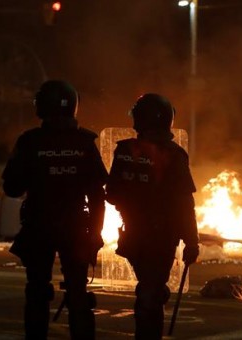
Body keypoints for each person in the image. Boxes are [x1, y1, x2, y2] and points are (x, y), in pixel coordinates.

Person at [3, 80, 107, 339]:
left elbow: (12, 188)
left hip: (39, 226)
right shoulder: (85, 142)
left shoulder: (30, 142)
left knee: (37, 291)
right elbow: (97, 197)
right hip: (75, 228)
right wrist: (95, 233)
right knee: (78, 294)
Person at [105, 93, 200, 339]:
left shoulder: (124, 150)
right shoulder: (174, 155)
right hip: (161, 236)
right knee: (150, 292)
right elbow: (184, 202)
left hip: (133, 233)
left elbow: (112, 194)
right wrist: (192, 241)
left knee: (147, 288)